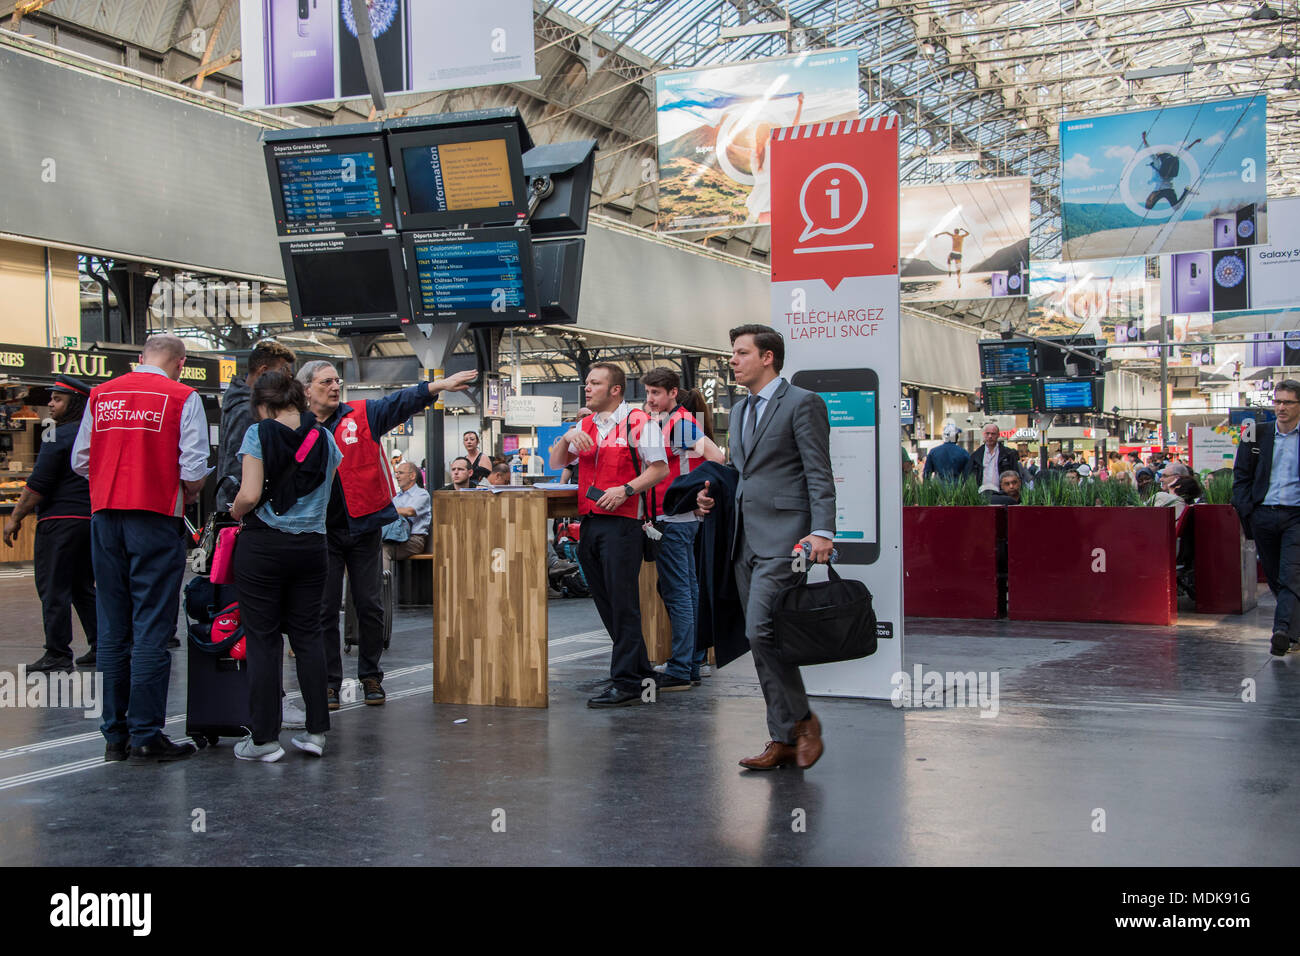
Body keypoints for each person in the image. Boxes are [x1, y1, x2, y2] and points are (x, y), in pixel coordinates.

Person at [695, 324, 835, 771]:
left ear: (767, 357)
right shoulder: (737, 411)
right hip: (743, 538)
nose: (732, 360)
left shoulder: (802, 403)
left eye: (740, 353)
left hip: (786, 539)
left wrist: (823, 531)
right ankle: (783, 737)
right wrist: (711, 497)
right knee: (761, 640)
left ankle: (802, 722)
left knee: (759, 631)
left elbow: (818, 471)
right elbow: (744, 471)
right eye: (732, 353)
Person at [297, 360, 476, 710]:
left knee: (370, 604)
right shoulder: (298, 427)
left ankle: (370, 675)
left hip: (365, 527)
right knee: (324, 608)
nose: (335, 387)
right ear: (306, 389)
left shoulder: (363, 414)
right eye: (325, 382)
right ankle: (330, 682)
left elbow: (402, 400)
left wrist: (438, 386)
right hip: (322, 532)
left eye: (337, 380)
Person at [72, 334, 207, 763]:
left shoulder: (100, 395)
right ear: (180, 363)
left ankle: (114, 736)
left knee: (113, 628)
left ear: (139, 359)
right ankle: (146, 733)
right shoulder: (183, 397)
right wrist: (186, 490)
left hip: (105, 517)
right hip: (154, 518)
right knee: (152, 626)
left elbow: (80, 460)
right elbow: (194, 466)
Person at [228, 370, 340, 761]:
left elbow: (250, 493)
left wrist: (235, 509)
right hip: (312, 548)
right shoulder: (325, 438)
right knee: (308, 637)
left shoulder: (259, 434)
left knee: (264, 639)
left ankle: (263, 740)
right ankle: (316, 734)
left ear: (263, 404)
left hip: (264, 547)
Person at [550, 362, 668, 708]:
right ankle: (640, 672)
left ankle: (628, 681)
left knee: (623, 603)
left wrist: (627, 489)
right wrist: (567, 436)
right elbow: (558, 462)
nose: (587, 388)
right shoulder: (584, 424)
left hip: (623, 524)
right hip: (590, 522)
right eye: (587, 382)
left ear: (615, 389)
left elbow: (658, 468)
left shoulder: (638, 423)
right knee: (605, 602)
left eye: (595, 383)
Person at [3, 375, 98, 672]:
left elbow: (36, 486)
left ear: (74, 404)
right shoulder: (96, 435)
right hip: (90, 521)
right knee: (83, 587)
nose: (50, 403)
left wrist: (15, 518)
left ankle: (57, 653)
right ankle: (101, 645)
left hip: (58, 524)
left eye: (57, 399)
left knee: (53, 588)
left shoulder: (55, 435)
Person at [642, 366, 726, 691]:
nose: (650, 399)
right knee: (687, 592)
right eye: (648, 392)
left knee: (680, 594)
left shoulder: (678, 424)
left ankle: (680, 667)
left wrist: (694, 489)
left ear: (673, 393)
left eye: (657, 393)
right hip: (678, 517)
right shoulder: (670, 423)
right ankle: (688, 664)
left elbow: (717, 457)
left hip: (674, 518)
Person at [1233, 381, 1300, 656]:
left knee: (1291, 574)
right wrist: (1246, 508)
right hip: (1263, 515)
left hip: (1296, 516)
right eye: (1277, 401)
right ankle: (1294, 629)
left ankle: (1282, 631)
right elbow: (1241, 474)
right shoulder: (1255, 433)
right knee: (1275, 576)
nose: (1281, 407)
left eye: (1288, 402)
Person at [215, 340, 295, 511]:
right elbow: (236, 468)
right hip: (242, 512)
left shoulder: (236, 402)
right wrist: (235, 509)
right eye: (283, 372)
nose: (288, 380)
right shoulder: (247, 411)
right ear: (263, 372)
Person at [1140, 130, 1200, 210]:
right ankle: (1186, 191)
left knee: (1148, 207)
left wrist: (1144, 139)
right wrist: (1194, 143)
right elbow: (1184, 151)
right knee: (1176, 207)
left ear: (1158, 155)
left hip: (1158, 190)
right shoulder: (1173, 159)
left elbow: (1149, 150)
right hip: (1170, 189)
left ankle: (1186, 191)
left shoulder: (1157, 161)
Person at [387, 461, 431, 561]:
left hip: (414, 540)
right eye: (396, 473)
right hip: (395, 537)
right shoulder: (396, 498)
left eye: (401, 473)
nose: (397, 476)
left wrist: (387, 511)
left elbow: (410, 511)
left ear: (412, 476)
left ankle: (382, 577)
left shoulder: (422, 494)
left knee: (384, 549)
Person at [967, 422, 1021, 492]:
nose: (990, 436)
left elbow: (1016, 475)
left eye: (993, 434)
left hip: (1003, 494)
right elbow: (968, 476)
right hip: (981, 494)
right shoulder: (976, 455)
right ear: (984, 434)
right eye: (987, 433)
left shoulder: (1008, 454)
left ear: (998, 435)